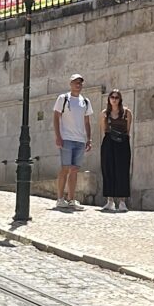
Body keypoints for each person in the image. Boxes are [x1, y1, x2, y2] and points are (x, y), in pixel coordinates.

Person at [53, 74, 93, 209]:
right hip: (67, 138)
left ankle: (71, 199)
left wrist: (89, 139)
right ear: (70, 84)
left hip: (80, 140)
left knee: (75, 170)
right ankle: (60, 198)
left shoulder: (85, 101)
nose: (78, 85)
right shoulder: (63, 98)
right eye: (76, 82)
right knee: (65, 168)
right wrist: (58, 136)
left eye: (80, 83)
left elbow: (87, 121)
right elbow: (56, 117)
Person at [100, 88, 132, 211]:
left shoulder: (126, 113)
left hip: (122, 142)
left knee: (122, 170)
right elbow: (104, 129)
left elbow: (128, 129)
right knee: (108, 169)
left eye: (116, 97)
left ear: (120, 99)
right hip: (108, 142)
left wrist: (122, 138)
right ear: (109, 99)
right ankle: (110, 201)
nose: (114, 99)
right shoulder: (104, 113)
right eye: (112, 97)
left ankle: (122, 201)